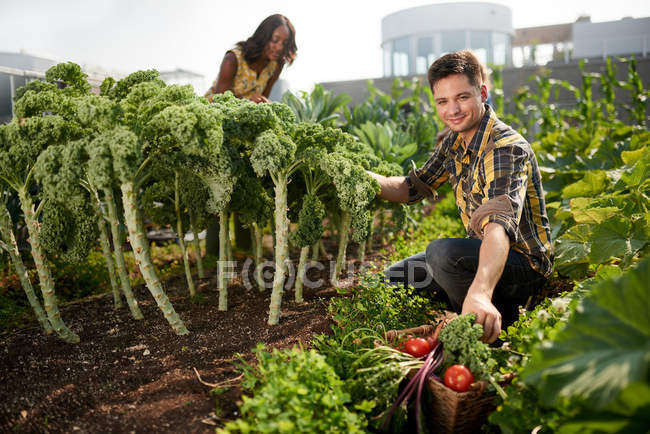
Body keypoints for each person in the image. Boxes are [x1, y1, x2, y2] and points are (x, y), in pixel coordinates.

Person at [369, 50, 553, 344]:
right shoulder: (455, 141)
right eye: (443, 101)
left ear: (482, 92)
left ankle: (492, 325)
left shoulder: (505, 148)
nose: (452, 109)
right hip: (483, 253)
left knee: (441, 254)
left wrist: (480, 290)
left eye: (462, 97)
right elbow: (413, 187)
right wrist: (364, 178)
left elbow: (498, 227)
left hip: (522, 267)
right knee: (391, 280)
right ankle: (467, 303)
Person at [205, 14, 297, 104]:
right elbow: (219, 103)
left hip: (244, 116)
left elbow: (262, 100)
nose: (280, 47)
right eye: (275, 40)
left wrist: (265, 102)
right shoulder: (232, 59)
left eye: (284, 43)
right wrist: (247, 103)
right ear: (264, 37)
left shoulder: (276, 65)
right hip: (213, 113)